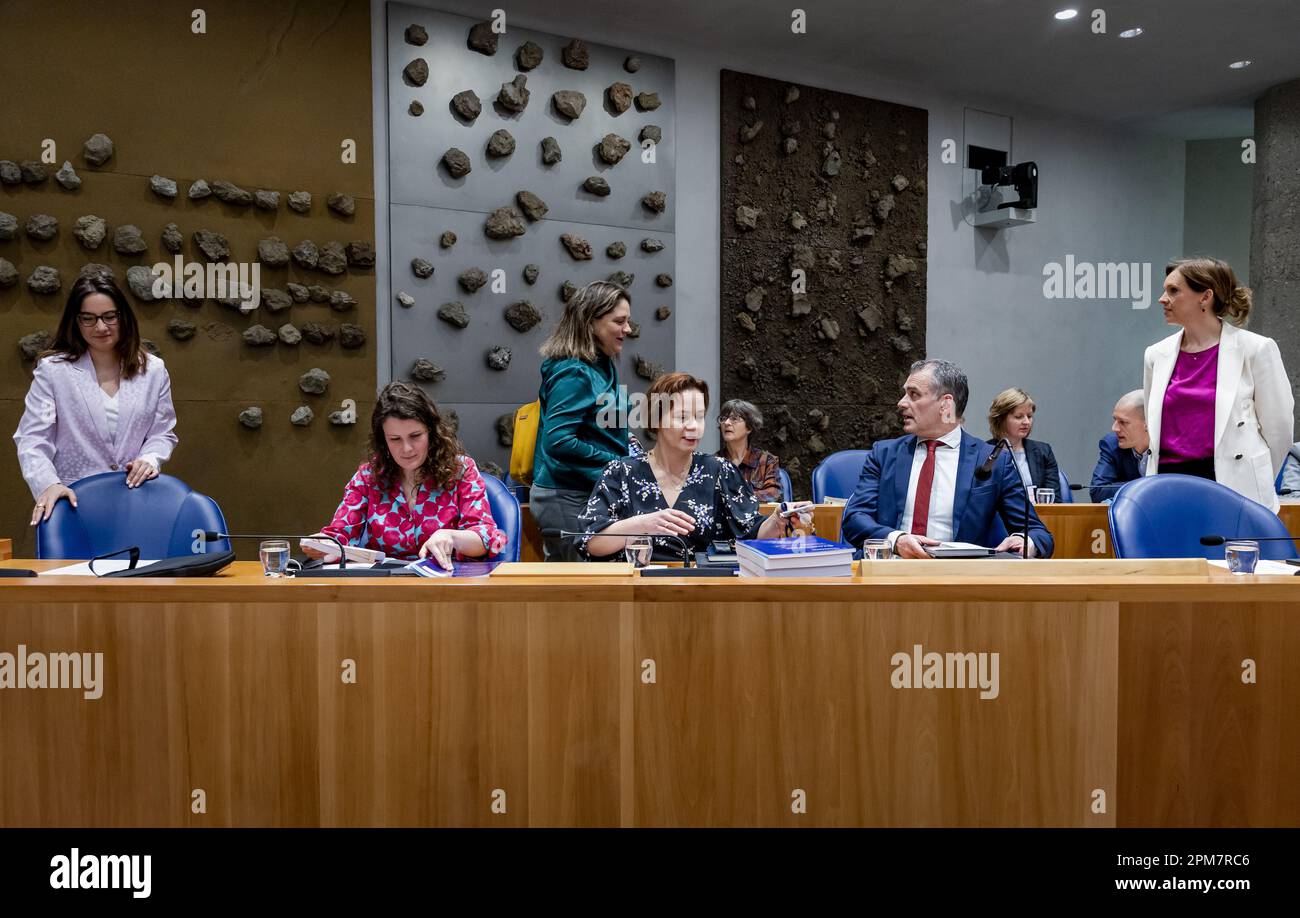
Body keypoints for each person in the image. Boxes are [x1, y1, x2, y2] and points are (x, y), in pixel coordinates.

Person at [578, 372, 812, 561]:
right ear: (656, 419)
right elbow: (592, 542)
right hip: (634, 595)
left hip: (703, 591)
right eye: (682, 417)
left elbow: (752, 532)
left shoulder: (720, 471)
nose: (694, 427)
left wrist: (777, 520)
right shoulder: (621, 472)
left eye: (699, 417)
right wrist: (643, 524)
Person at [841, 359, 1053, 558]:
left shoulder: (993, 461)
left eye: (913, 395)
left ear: (946, 405)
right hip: (889, 573)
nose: (901, 403)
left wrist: (1024, 540)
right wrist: (896, 540)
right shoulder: (884, 454)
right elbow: (855, 518)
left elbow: (1038, 533)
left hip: (959, 581)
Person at [14, 274, 178, 527]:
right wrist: (48, 484)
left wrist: (150, 459)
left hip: (136, 501)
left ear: (123, 317)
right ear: (76, 321)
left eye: (110, 316)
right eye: (88, 318)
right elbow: (32, 439)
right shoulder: (53, 371)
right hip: (72, 504)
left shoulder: (153, 370)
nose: (101, 327)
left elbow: (162, 433)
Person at [304, 381, 507, 569]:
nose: (407, 448)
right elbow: (340, 536)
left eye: (415, 436)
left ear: (431, 432)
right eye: (395, 439)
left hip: (449, 586)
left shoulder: (460, 470)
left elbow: (485, 538)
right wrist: (323, 545)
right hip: (387, 591)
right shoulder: (369, 476)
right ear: (383, 441)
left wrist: (451, 536)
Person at [1144, 257, 1294, 512]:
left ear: (1205, 297)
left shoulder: (1256, 349)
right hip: (1167, 483)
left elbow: (1279, 431)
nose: (1162, 298)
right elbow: (1152, 422)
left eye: (1173, 290)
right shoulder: (1156, 355)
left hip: (1233, 486)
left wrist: (1253, 474)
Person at [530, 281, 633, 561]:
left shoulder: (601, 364)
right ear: (590, 322)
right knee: (577, 594)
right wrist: (616, 463)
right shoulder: (573, 371)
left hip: (586, 491)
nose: (628, 329)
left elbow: (599, 424)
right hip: (566, 496)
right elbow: (559, 441)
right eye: (619, 321)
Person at [985, 387, 1060, 498]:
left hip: (1036, 514)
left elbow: (1054, 499)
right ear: (1000, 419)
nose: (1026, 422)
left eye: (1029, 416)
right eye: (1018, 417)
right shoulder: (983, 453)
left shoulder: (1043, 452)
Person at [1089, 390, 1151, 502]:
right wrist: (1147, 486)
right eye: (1115, 420)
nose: (1115, 428)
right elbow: (1098, 491)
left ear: (1147, 423)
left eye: (1123, 422)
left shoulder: (1172, 449)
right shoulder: (1112, 444)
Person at [716, 398, 783, 501]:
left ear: (749, 428)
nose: (727, 422)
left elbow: (773, 494)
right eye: (723, 418)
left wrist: (733, 497)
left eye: (734, 418)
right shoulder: (712, 462)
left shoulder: (766, 460)